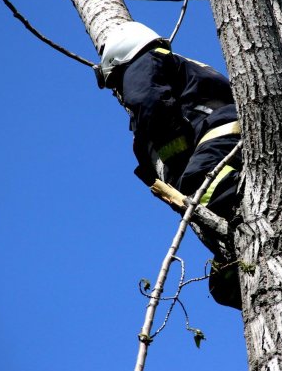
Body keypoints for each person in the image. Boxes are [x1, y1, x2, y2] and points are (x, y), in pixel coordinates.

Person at [95, 21, 242, 309]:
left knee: (200, 185)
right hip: (229, 134)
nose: (120, 91)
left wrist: (173, 159)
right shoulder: (178, 65)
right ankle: (239, 253)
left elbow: (151, 105)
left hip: (220, 133)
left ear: (119, 59)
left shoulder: (142, 62)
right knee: (221, 281)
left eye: (116, 84)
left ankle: (253, 218)